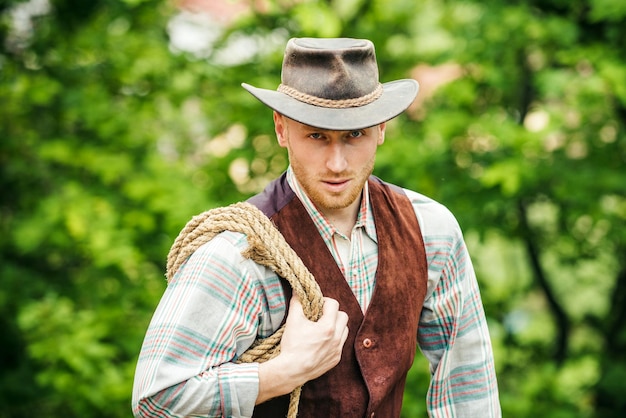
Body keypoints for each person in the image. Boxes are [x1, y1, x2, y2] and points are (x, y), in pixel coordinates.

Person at [132, 37, 501, 417]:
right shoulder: (241, 252)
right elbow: (157, 399)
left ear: (381, 129)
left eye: (354, 135)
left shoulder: (430, 230)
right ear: (281, 129)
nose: (337, 164)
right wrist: (286, 371)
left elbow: (468, 386)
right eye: (317, 136)